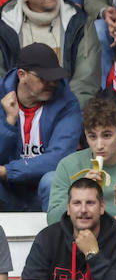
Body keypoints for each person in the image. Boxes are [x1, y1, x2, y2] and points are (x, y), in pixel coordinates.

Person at [47, 97, 116, 242]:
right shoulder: (68, 165)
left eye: (106, 136)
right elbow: (53, 219)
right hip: (80, 242)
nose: (99, 145)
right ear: (86, 136)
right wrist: (79, 190)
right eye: (92, 137)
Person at [25, 177, 116, 280]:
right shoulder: (48, 238)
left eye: (90, 203)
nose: (83, 210)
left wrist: (93, 255)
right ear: (68, 208)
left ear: (101, 207)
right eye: (77, 203)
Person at [0, 43, 81, 212]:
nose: (52, 83)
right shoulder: (2, 99)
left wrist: (8, 171)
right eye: (43, 78)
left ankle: (56, 237)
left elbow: (59, 158)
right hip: (7, 191)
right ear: (22, 75)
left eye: (55, 77)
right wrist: (8, 122)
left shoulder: (67, 103)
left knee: (52, 180)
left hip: (43, 188)